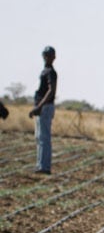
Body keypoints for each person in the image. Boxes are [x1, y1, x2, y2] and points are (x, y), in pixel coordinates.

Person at [29, 46, 57, 174]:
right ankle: (41, 165)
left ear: (53, 57)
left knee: (44, 137)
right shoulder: (45, 71)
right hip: (42, 106)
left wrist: (39, 106)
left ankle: (44, 167)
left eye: (50, 55)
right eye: (46, 55)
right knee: (39, 137)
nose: (47, 57)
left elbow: (51, 91)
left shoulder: (50, 72)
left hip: (45, 107)